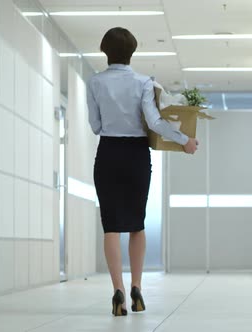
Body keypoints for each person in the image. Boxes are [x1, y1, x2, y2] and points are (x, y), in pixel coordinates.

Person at [86, 27, 199, 317]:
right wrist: (185, 141)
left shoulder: (95, 82)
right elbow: (156, 122)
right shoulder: (144, 83)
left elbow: (96, 126)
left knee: (110, 225)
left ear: (105, 51)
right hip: (136, 155)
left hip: (108, 153)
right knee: (137, 223)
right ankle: (137, 287)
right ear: (132, 52)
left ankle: (118, 292)